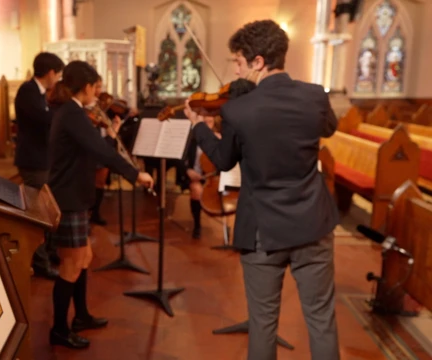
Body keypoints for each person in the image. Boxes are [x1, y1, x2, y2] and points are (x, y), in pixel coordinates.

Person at [184, 20, 340, 360]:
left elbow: (224, 161)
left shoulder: (238, 109)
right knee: (322, 320)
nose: (237, 69)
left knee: (263, 324)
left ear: (258, 62)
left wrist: (200, 128)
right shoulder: (314, 95)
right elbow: (329, 127)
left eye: (239, 61)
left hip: (262, 232)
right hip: (312, 223)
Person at [46, 60, 154, 349]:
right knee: (71, 264)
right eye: (96, 87)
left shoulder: (73, 111)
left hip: (75, 197)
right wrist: (135, 173)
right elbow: (99, 150)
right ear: (85, 87)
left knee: (84, 259)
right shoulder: (72, 113)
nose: (98, 93)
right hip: (68, 200)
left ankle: (81, 315)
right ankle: (59, 329)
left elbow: (94, 146)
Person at [14, 52, 65, 279]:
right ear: (51, 72)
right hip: (33, 161)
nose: (59, 78)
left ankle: (51, 252)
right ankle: (41, 262)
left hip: (43, 159)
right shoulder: (28, 91)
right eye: (59, 74)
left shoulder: (40, 93)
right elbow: (44, 120)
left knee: (49, 209)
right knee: (40, 214)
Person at [87, 75, 121, 226]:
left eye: (100, 87)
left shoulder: (101, 107)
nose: (99, 91)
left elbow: (104, 126)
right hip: (93, 149)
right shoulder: (85, 108)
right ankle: (89, 213)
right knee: (90, 184)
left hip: (104, 145)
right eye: (96, 87)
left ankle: (96, 213)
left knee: (100, 183)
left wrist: (112, 127)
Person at [183, 115, 219, 239]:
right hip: (196, 176)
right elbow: (181, 159)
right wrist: (188, 170)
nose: (208, 123)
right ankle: (197, 225)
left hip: (214, 178)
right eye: (205, 121)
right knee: (196, 191)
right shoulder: (191, 139)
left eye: (210, 121)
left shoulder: (219, 138)